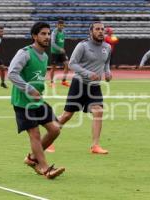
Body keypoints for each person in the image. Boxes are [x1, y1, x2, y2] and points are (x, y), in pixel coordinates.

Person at [8, 22, 65, 179]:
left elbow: (37, 77)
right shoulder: (25, 53)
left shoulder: (45, 56)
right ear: (34, 36)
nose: (47, 37)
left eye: (48, 34)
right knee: (35, 133)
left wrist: (38, 90)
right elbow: (12, 73)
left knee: (55, 129)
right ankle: (45, 168)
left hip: (38, 101)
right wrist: (29, 89)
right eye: (43, 34)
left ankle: (33, 158)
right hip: (23, 102)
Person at [56, 21, 112, 154]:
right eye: (97, 29)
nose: (100, 31)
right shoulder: (83, 46)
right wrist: (88, 73)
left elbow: (106, 63)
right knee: (67, 115)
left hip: (95, 87)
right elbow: (72, 64)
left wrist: (108, 72)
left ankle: (95, 146)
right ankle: (48, 134)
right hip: (79, 85)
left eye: (102, 29)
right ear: (91, 31)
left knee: (98, 111)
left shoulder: (107, 47)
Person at [49, 20, 70, 87]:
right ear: (57, 25)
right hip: (55, 53)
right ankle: (51, 82)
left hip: (61, 53)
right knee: (53, 68)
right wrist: (59, 49)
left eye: (62, 25)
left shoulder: (63, 32)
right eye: (60, 25)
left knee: (67, 65)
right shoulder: (54, 32)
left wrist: (62, 49)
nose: (61, 26)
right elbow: (52, 43)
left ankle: (63, 81)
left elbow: (62, 42)